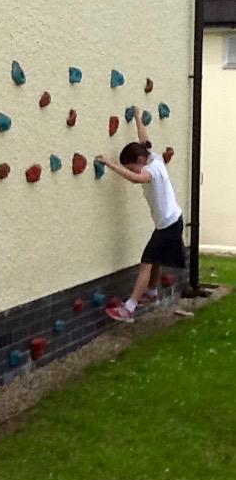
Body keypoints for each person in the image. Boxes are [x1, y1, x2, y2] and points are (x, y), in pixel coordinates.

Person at [96, 107, 184, 323]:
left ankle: (129, 308)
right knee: (156, 258)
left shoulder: (151, 170)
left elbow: (136, 179)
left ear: (140, 160)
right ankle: (152, 292)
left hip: (169, 225)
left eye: (132, 167)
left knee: (147, 261)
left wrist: (110, 164)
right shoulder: (153, 158)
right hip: (170, 222)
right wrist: (137, 116)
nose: (134, 171)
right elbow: (144, 139)